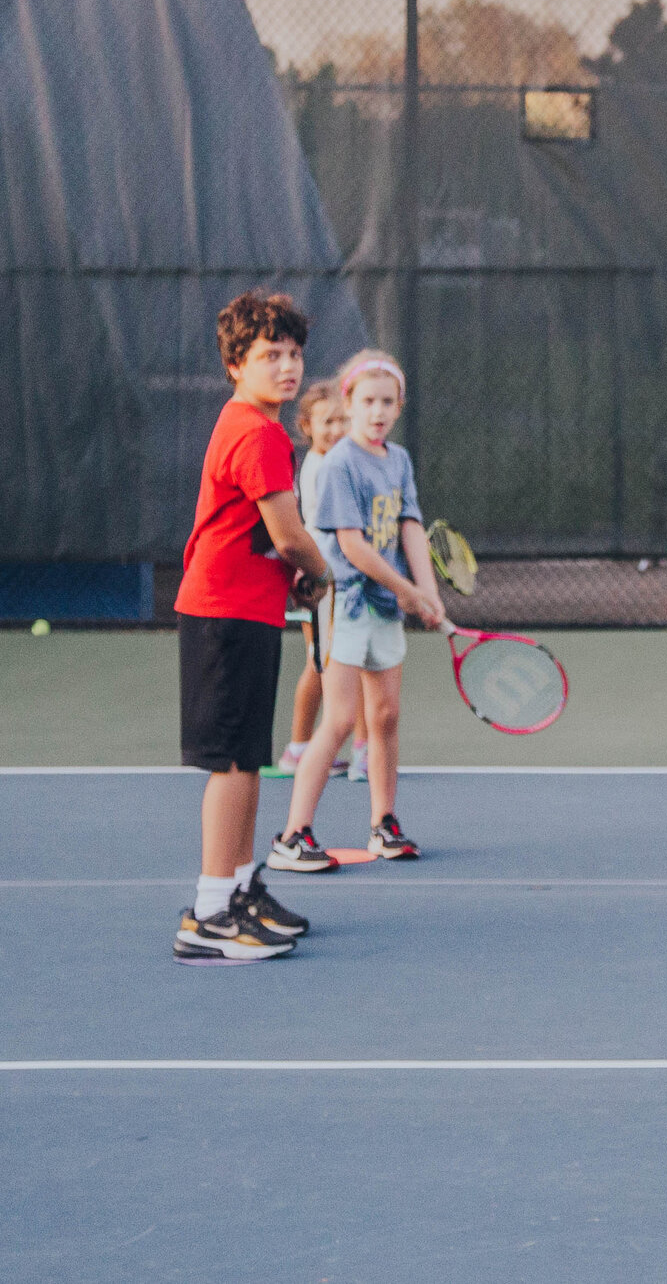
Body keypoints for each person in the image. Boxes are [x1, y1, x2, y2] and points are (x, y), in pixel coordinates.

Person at [171, 290, 332, 963]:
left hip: (247, 608)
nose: (287, 366)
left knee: (249, 761)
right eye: (270, 354)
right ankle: (208, 913)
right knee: (233, 765)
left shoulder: (256, 425)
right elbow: (289, 533)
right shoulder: (257, 430)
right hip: (223, 614)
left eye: (294, 353)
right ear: (236, 364)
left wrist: (294, 570)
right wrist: (324, 574)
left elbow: (266, 539)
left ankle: (238, 887)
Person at [267, 349, 448, 873]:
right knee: (342, 719)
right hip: (342, 603)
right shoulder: (342, 461)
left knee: (386, 716)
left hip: (384, 607)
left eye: (387, 402)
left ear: (399, 406)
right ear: (350, 403)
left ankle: (383, 824)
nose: (378, 412)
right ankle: (294, 834)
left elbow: (410, 527)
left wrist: (428, 590)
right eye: (368, 401)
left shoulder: (399, 461)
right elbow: (352, 546)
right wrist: (411, 593)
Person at [271, 382, 348, 779]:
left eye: (343, 421)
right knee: (320, 664)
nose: (337, 429)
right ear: (307, 427)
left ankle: (318, 746)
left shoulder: (334, 463)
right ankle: (298, 750)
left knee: (330, 663)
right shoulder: (322, 469)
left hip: (334, 581)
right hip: (319, 583)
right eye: (328, 421)